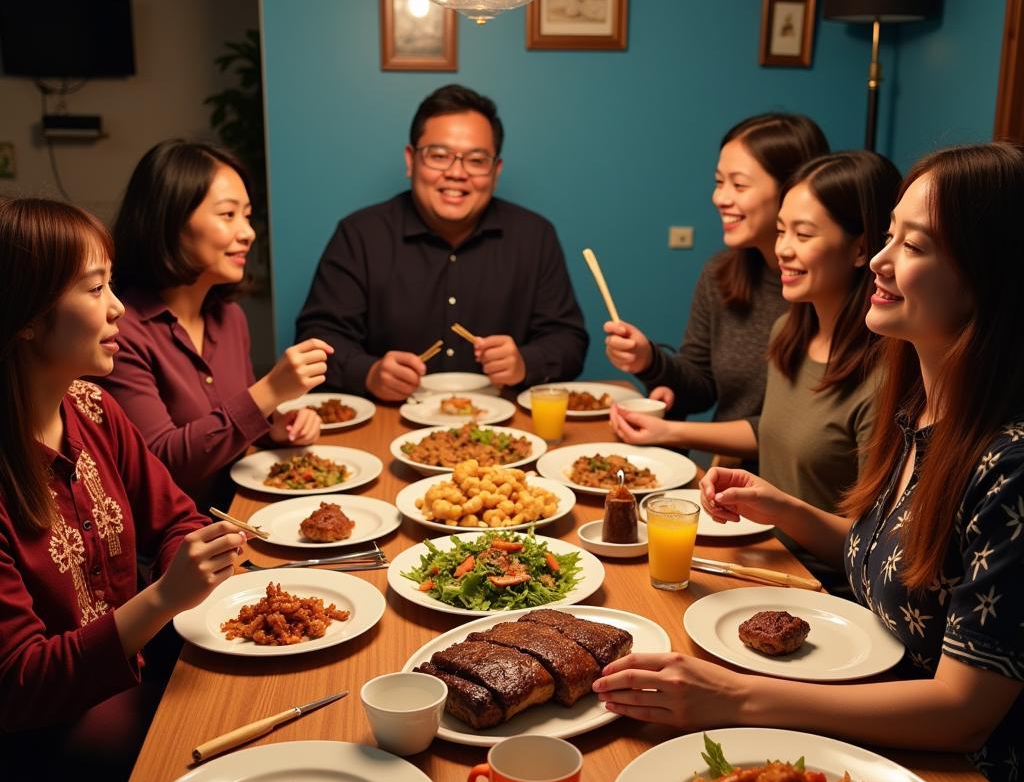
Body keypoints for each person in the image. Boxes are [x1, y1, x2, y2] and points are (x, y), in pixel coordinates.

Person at [595, 143, 1024, 782]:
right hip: (864, 723)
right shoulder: (916, 406)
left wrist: (735, 698)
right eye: (888, 236)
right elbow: (881, 558)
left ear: (989, 275)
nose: (881, 261)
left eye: (914, 246)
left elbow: (963, 710)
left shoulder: (1009, 464)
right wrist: (782, 507)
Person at [0, 198, 245, 782]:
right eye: (95, 288)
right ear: (27, 316)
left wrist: (191, 565)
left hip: (135, 679)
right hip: (45, 745)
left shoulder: (92, 408)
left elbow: (177, 519)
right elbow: (21, 683)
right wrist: (165, 598)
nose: (118, 309)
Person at [609, 151, 901, 587]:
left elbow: (874, 552)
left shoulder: (885, 377)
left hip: (818, 587)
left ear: (862, 249)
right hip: (760, 553)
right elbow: (778, 428)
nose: (782, 249)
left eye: (803, 234)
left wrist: (779, 507)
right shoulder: (789, 332)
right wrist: (668, 432)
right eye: (782, 230)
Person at [296, 84, 589, 401]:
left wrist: (524, 363)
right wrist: (368, 372)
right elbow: (317, 337)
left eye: (476, 160)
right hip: (386, 424)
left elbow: (569, 340)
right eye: (439, 156)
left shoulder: (534, 236)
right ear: (411, 161)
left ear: (495, 171)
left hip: (505, 429)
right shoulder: (360, 235)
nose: (456, 173)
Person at [97, 140, 333, 510]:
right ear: (170, 221)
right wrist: (270, 390)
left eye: (248, 215)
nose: (248, 232)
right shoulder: (121, 331)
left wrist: (276, 428)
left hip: (245, 512)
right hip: (177, 547)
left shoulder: (230, 318)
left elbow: (225, 426)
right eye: (228, 215)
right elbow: (162, 462)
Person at [604, 113, 829, 427]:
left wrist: (676, 433)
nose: (720, 198)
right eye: (719, 182)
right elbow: (701, 390)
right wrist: (649, 361)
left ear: (793, 189)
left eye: (738, 184)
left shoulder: (830, 289)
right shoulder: (721, 273)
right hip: (725, 470)